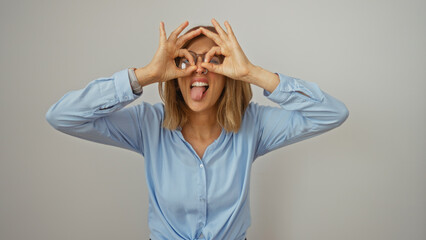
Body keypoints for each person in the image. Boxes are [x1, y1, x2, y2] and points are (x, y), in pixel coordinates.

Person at [46, 19, 349, 240]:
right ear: (175, 74)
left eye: (214, 61)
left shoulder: (253, 125)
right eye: (187, 61)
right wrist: (145, 75)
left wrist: (252, 73)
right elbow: (62, 116)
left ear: (228, 74)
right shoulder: (147, 125)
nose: (200, 68)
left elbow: (332, 113)